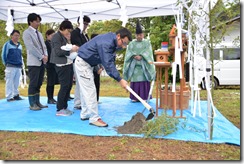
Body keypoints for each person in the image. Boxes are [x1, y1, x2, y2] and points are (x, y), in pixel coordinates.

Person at [74, 28, 132, 127]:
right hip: (83, 63)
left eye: (125, 45)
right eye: (123, 43)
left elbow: (110, 59)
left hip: (85, 63)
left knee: (85, 90)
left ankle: (85, 113)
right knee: (90, 90)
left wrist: (119, 78)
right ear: (118, 36)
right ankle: (94, 118)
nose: (123, 46)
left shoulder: (112, 41)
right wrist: (119, 79)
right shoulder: (106, 43)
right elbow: (108, 64)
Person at [50, 20, 79, 116]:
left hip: (68, 64)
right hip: (61, 65)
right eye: (68, 30)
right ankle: (59, 108)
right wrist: (71, 50)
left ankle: (64, 107)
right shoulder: (56, 37)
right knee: (64, 86)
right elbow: (58, 52)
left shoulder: (63, 37)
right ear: (63, 28)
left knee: (69, 85)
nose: (69, 33)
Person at [123, 20, 155, 102]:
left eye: (140, 35)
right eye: (137, 35)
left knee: (144, 80)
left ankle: (144, 97)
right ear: (135, 35)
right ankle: (134, 97)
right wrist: (134, 55)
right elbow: (129, 51)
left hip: (144, 65)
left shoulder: (147, 42)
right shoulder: (131, 43)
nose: (139, 36)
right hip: (134, 66)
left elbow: (148, 51)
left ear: (143, 35)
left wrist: (141, 56)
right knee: (135, 81)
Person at [23, 13, 48, 110]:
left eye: (39, 21)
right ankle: (32, 103)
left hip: (42, 61)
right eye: (37, 21)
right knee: (33, 83)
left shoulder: (39, 34)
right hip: (34, 62)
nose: (38, 23)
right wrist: (41, 56)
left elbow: (44, 47)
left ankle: (37, 102)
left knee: (39, 82)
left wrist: (46, 55)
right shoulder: (27, 33)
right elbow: (31, 47)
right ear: (31, 21)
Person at [71, 15, 91, 109]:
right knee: (80, 82)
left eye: (87, 24)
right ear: (79, 22)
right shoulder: (75, 33)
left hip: (86, 60)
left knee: (83, 82)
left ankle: (82, 101)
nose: (86, 25)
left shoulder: (85, 34)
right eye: (84, 23)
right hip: (78, 59)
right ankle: (78, 102)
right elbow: (78, 46)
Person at [1, 29, 24, 102]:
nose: (17, 37)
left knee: (17, 82)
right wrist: (6, 63)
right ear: (12, 36)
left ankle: (16, 95)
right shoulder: (7, 44)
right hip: (10, 66)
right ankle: (9, 96)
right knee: (9, 82)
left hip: (18, 66)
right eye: (15, 35)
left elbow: (20, 56)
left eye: (18, 35)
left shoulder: (20, 45)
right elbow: (3, 55)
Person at [45, 29, 59, 104]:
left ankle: (52, 97)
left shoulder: (52, 43)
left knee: (52, 82)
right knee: (50, 82)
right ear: (47, 35)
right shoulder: (46, 44)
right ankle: (49, 98)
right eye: (52, 35)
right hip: (50, 64)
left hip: (54, 64)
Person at [91, 34, 104, 103]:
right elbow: (93, 59)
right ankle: (92, 100)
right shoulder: (91, 48)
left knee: (97, 84)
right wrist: (97, 69)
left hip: (98, 69)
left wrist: (102, 67)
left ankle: (96, 99)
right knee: (92, 85)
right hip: (92, 69)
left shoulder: (99, 47)